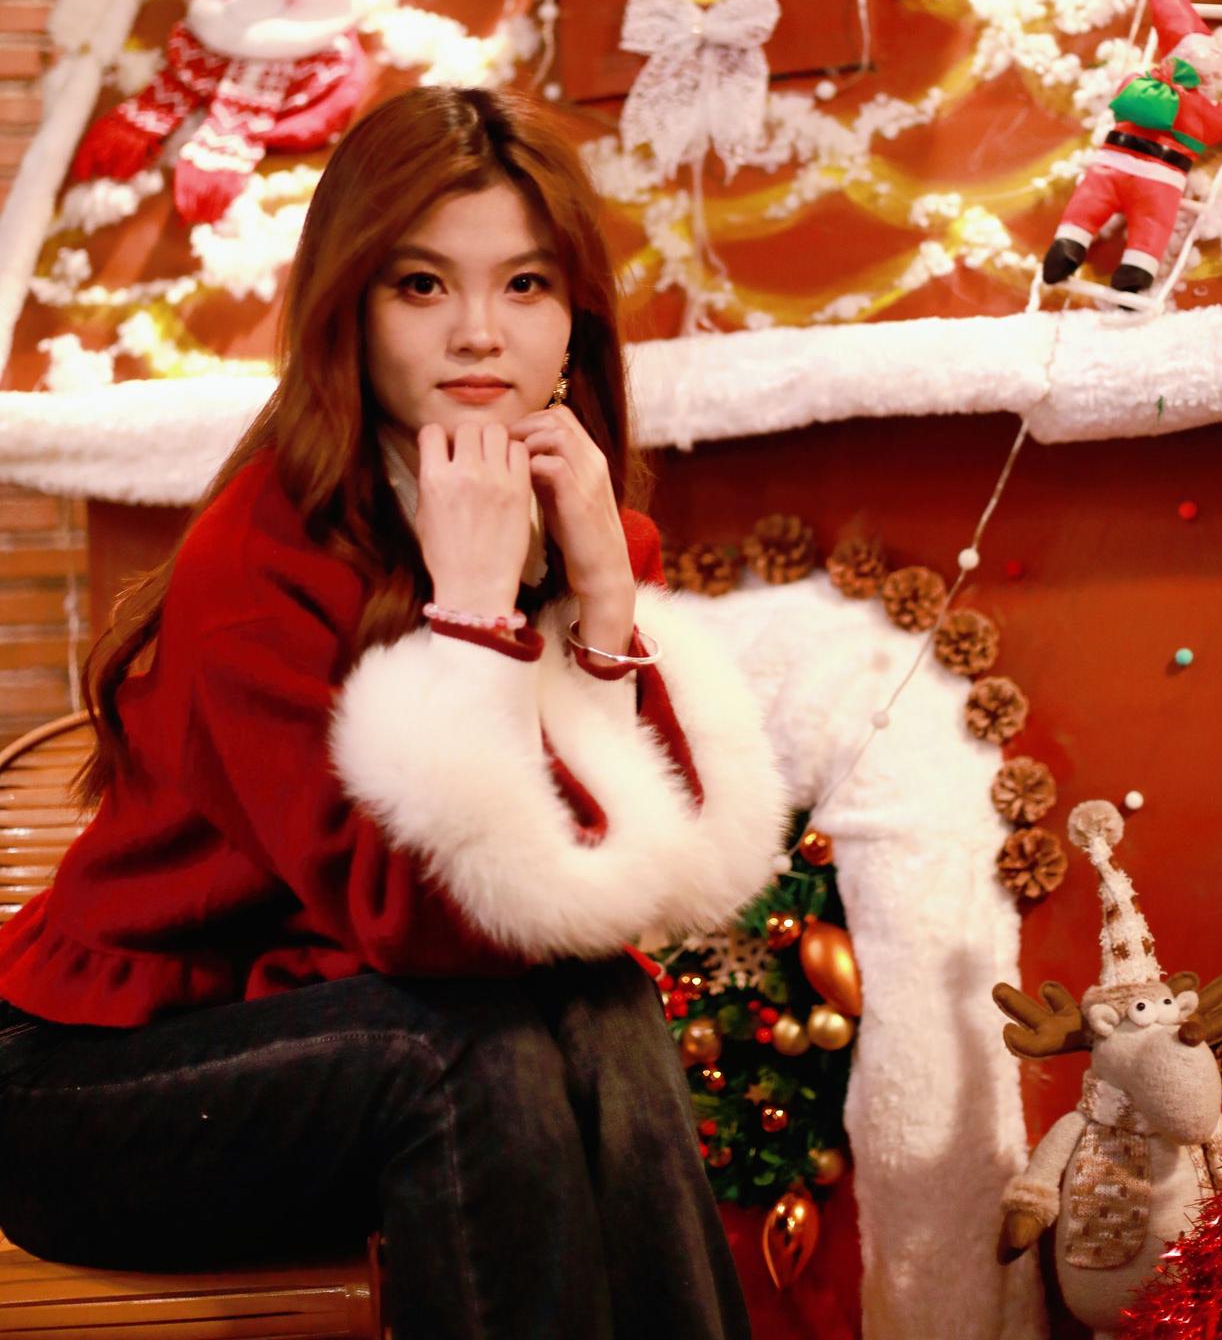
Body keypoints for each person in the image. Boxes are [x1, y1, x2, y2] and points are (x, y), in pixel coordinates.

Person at [0, 86, 787, 1339]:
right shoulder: (258, 561)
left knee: (606, 1007)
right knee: (463, 1054)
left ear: (574, 323)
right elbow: (429, 931)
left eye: (524, 285)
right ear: (349, 312)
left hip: (354, 1049)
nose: (479, 333)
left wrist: (602, 596)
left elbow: (649, 884)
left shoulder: (574, 526)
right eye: (421, 285)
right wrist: (469, 617)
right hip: (97, 1094)